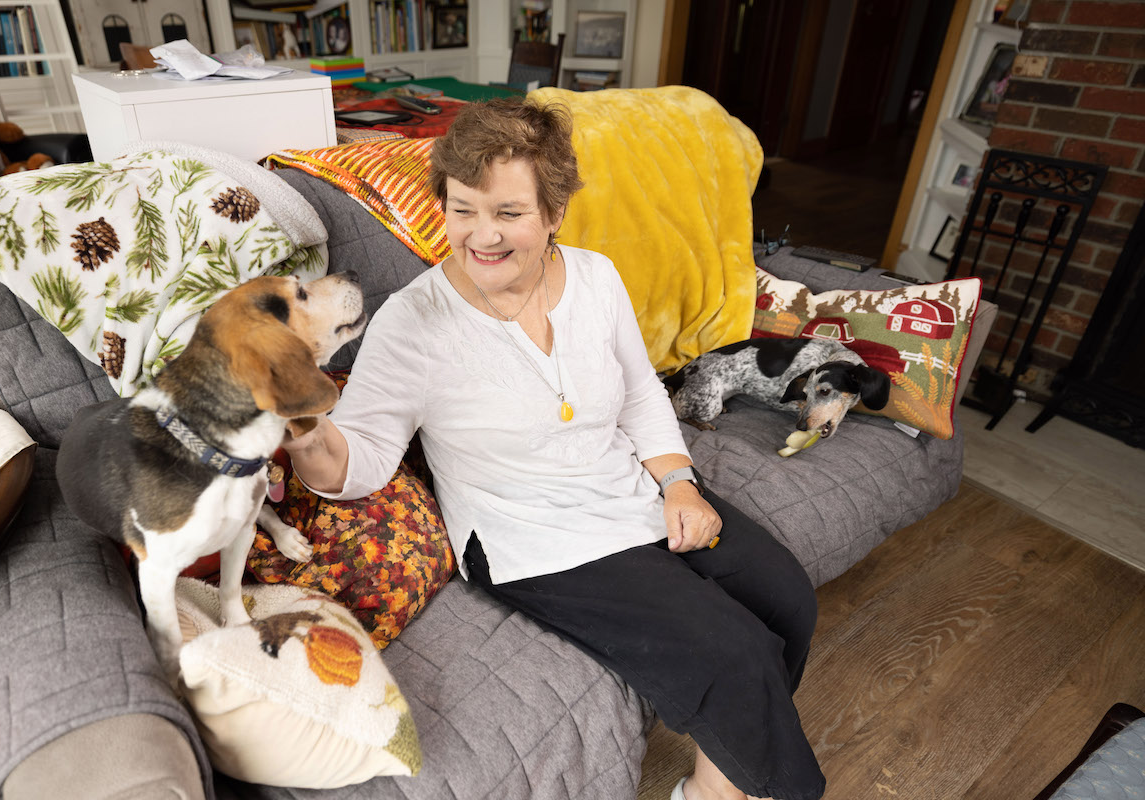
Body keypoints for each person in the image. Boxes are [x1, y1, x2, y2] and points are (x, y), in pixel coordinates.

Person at [283, 97, 826, 800]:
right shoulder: (413, 322)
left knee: (787, 600)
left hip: (625, 489)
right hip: (529, 539)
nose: (481, 236)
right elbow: (359, 462)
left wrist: (681, 485)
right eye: (463, 209)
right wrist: (302, 427)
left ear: (553, 214)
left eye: (508, 213)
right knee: (736, 651)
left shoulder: (596, 277)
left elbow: (637, 396)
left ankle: (717, 779)